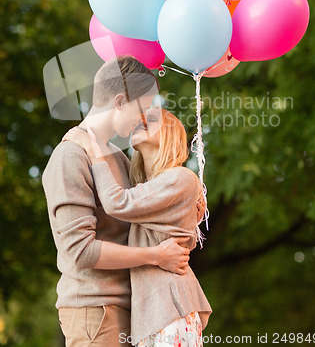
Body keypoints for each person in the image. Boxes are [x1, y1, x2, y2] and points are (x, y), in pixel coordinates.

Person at [42, 55, 205, 347]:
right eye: (142, 109)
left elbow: (146, 215)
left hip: (135, 310)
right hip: (97, 310)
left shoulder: (118, 159)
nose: (142, 119)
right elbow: (81, 252)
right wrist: (155, 256)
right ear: (120, 101)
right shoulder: (71, 156)